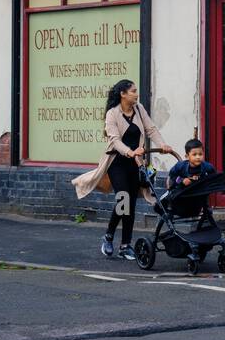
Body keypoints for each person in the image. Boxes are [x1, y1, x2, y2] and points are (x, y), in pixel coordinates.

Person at [71, 80, 175, 261]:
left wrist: (163, 145)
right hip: (116, 162)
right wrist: (130, 151)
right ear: (123, 94)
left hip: (135, 163)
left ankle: (125, 245)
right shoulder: (112, 114)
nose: (136, 94)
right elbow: (114, 140)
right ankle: (109, 235)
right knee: (123, 198)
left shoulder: (139, 110)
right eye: (133, 91)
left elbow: (151, 130)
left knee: (131, 205)